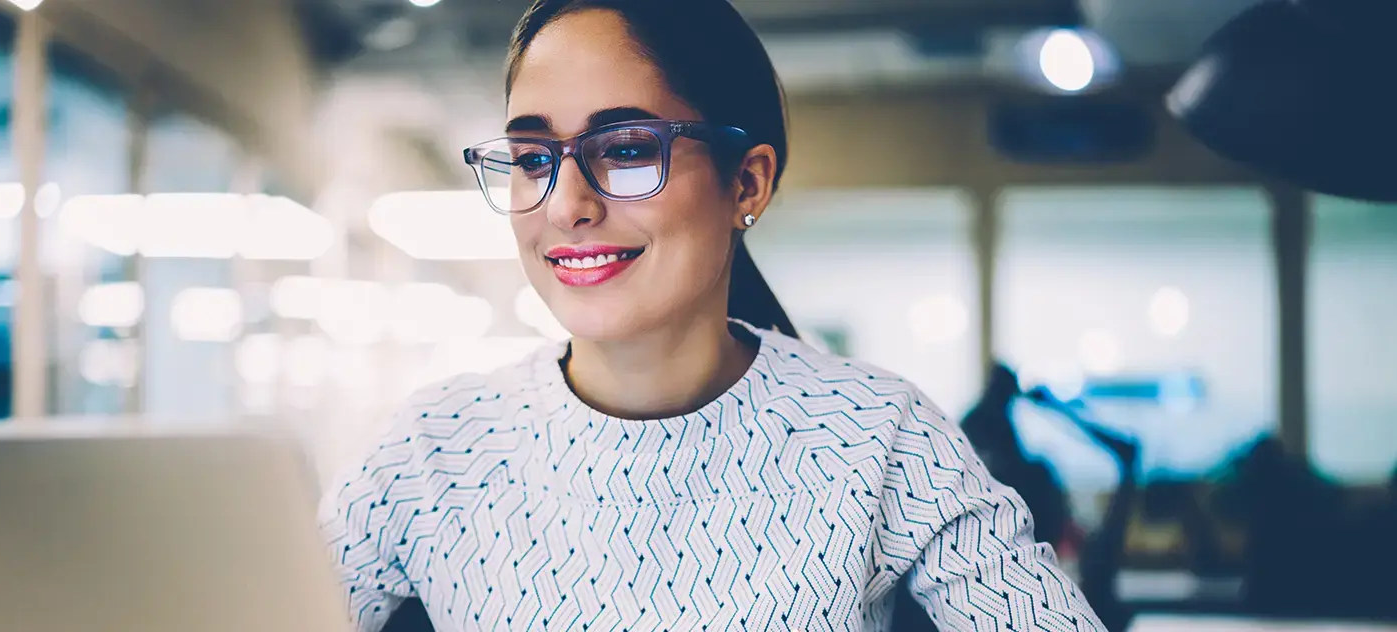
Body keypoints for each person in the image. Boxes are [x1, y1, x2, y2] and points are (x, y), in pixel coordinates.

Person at [319, 0, 1105, 630]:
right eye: (531, 159)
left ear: (747, 185)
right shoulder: (432, 453)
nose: (565, 205)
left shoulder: (877, 437)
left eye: (626, 149)